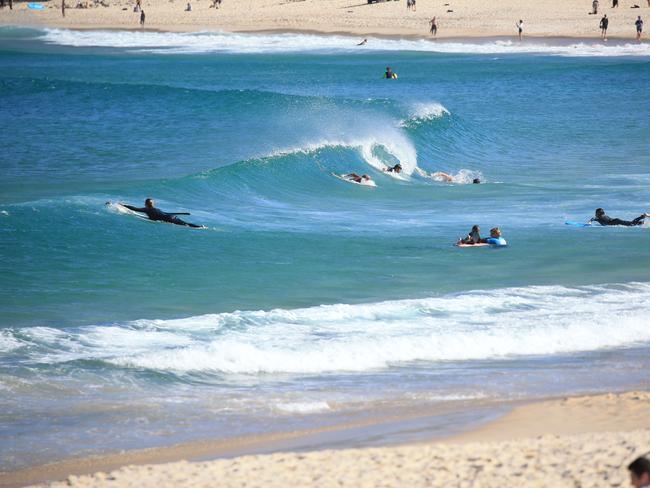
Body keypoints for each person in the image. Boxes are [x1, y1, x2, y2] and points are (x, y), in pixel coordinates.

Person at [119, 198, 204, 228]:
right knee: (186, 224)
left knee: (185, 225)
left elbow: (135, 209)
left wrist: (123, 205)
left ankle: (198, 227)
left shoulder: (147, 209)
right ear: (153, 204)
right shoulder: (157, 209)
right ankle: (199, 226)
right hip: (171, 216)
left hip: (168, 218)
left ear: (146, 204)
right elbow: (165, 213)